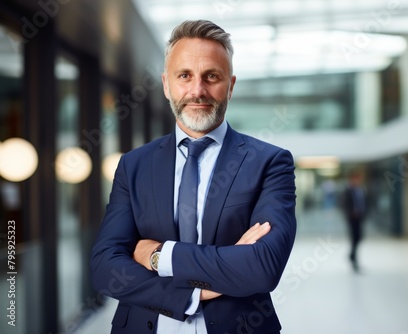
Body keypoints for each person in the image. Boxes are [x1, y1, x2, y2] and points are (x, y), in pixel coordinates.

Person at [90, 20, 296, 334]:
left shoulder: (269, 162)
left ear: (231, 85)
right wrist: (196, 292)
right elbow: (105, 267)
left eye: (211, 76)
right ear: (166, 84)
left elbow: (262, 267)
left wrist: (159, 255)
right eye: (184, 75)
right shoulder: (134, 165)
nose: (197, 90)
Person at [342, 171, 366, 272]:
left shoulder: (360, 190)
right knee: (355, 237)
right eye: (356, 178)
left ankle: (352, 255)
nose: (357, 181)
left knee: (359, 237)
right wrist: (350, 212)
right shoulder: (348, 191)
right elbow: (344, 204)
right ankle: (353, 258)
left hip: (360, 217)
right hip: (352, 218)